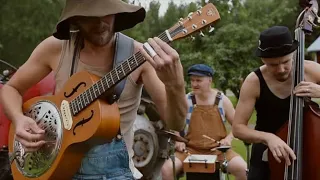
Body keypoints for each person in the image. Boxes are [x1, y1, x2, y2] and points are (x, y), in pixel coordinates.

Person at [0, 0, 188, 179]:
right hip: (56, 168)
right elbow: (12, 89)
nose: (100, 23)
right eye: (90, 16)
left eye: (106, 14)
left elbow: (176, 122)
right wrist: (18, 118)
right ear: (75, 19)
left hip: (115, 174)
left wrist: (175, 85)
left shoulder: (139, 56)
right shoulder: (55, 49)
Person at [232, 26, 320, 180]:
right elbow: (238, 128)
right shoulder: (254, 81)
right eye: (272, 64)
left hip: (309, 151)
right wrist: (269, 138)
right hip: (266, 155)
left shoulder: (311, 70)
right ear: (262, 59)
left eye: (285, 61)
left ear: (293, 54)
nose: (280, 69)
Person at [161, 64, 247, 180]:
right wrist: (178, 140)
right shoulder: (186, 100)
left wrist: (228, 139)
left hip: (218, 151)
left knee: (243, 169)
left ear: (209, 80)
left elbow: (238, 125)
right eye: (192, 80)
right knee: (166, 170)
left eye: (198, 80)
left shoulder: (222, 101)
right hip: (189, 150)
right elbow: (174, 123)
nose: (194, 84)